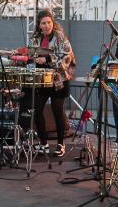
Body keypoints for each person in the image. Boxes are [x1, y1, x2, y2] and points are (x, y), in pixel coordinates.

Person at [18, 10, 75, 157]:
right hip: (42, 79)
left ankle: (61, 143)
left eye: (49, 22)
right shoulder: (35, 38)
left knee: (57, 109)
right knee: (36, 110)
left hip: (58, 79)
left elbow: (67, 55)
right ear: (39, 25)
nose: (47, 25)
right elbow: (30, 56)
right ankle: (43, 143)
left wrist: (48, 59)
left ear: (52, 22)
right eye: (43, 23)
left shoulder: (59, 36)